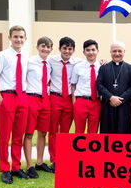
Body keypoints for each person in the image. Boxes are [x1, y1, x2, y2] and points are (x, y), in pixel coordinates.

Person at [0, 25, 29, 184]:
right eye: (16, 37)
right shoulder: (2, 55)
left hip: (22, 98)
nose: (19, 39)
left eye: (21, 37)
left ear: (25, 39)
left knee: (19, 135)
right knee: (4, 136)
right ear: (10, 38)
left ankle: (16, 167)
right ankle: (5, 169)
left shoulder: (26, 56)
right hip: (7, 97)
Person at [48, 37, 81, 173]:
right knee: (53, 131)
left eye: (70, 49)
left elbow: (93, 63)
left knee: (66, 132)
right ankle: (54, 160)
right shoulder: (51, 60)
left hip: (69, 99)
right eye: (64, 48)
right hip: (55, 97)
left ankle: (65, 158)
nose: (67, 51)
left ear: (73, 50)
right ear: (59, 48)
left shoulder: (78, 62)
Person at [23, 37, 53, 178]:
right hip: (32, 98)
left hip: (45, 100)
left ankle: (39, 163)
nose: (45, 49)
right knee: (29, 133)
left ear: (51, 49)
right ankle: (29, 165)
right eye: (43, 46)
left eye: (48, 47)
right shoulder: (29, 62)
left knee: (43, 132)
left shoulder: (50, 63)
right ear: (37, 47)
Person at [97, 41, 131, 134]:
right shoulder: (103, 68)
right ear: (110, 52)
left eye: (120, 51)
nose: (117, 53)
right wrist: (111, 97)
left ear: (124, 52)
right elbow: (99, 84)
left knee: (124, 132)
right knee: (107, 132)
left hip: (124, 106)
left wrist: (120, 99)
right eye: (114, 51)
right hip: (107, 105)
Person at [71, 39, 101, 133]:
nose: (91, 52)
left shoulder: (102, 67)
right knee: (79, 130)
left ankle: (90, 148)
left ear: (97, 51)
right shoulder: (78, 66)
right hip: (81, 101)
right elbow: (73, 85)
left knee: (93, 131)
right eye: (88, 50)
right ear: (84, 52)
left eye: (93, 50)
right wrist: (74, 102)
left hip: (96, 101)